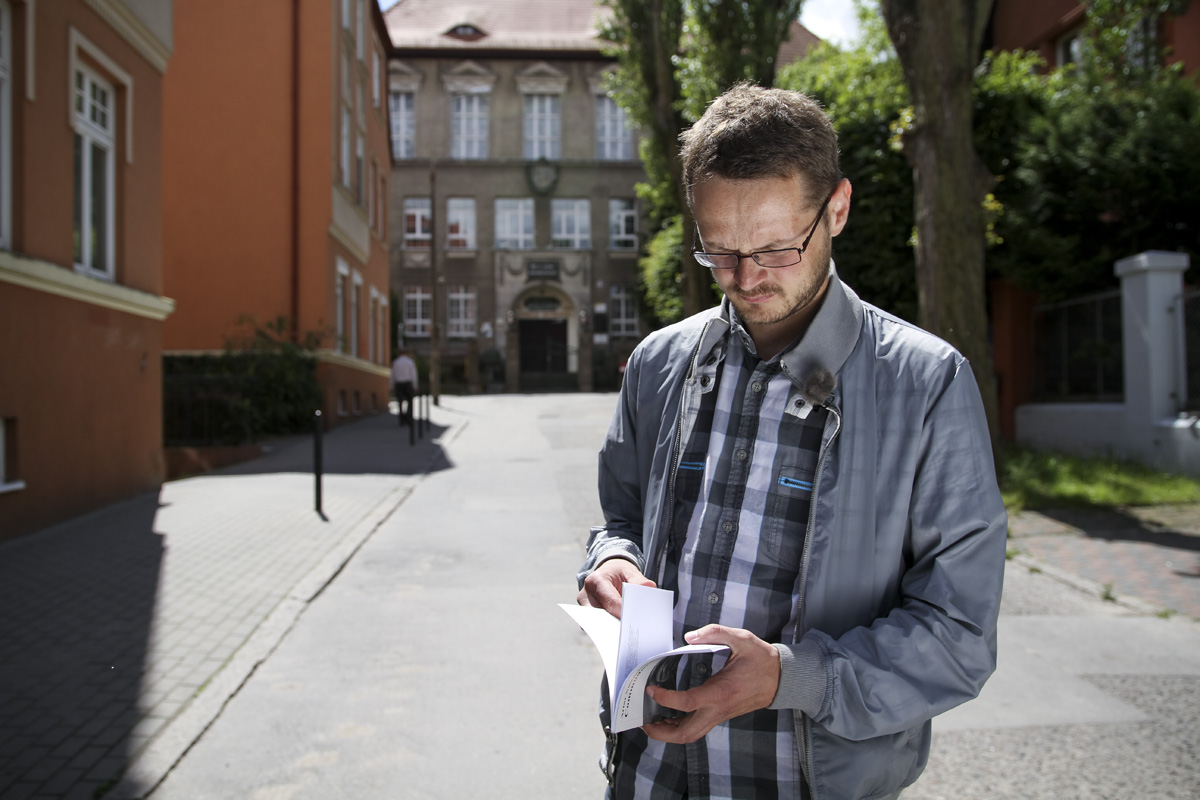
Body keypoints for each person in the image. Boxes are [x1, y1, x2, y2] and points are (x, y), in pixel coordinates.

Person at [575, 83, 1007, 800]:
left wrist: (789, 677)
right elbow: (618, 518)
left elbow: (959, 637)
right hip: (646, 776)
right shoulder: (657, 363)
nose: (745, 278)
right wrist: (613, 557)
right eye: (719, 250)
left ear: (835, 209)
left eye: (776, 248)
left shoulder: (927, 385)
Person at [390, 348, 418, 426]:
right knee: (410, 401)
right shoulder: (410, 362)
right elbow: (413, 374)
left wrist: (391, 387)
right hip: (408, 383)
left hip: (399, 384)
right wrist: (415, 385)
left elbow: (392, 376)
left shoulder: (396, 362)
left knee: (400, 402)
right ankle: (409, 418)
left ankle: (402, 419)